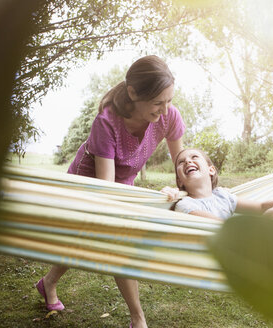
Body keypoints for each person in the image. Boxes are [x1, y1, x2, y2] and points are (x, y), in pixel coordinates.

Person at [35, 55, 185, 328]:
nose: (165, 110)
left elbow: (182, 165)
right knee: (113, 238)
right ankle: (138, 320)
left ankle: (48, 283)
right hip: (91, 180)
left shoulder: (169, 116)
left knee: (82, 239)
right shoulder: (106, 122)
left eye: (169, 100)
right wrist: (122, 215)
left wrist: (181, 189)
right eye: (157, 103)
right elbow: (106, 189)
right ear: (133, 93)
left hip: (123, 180)